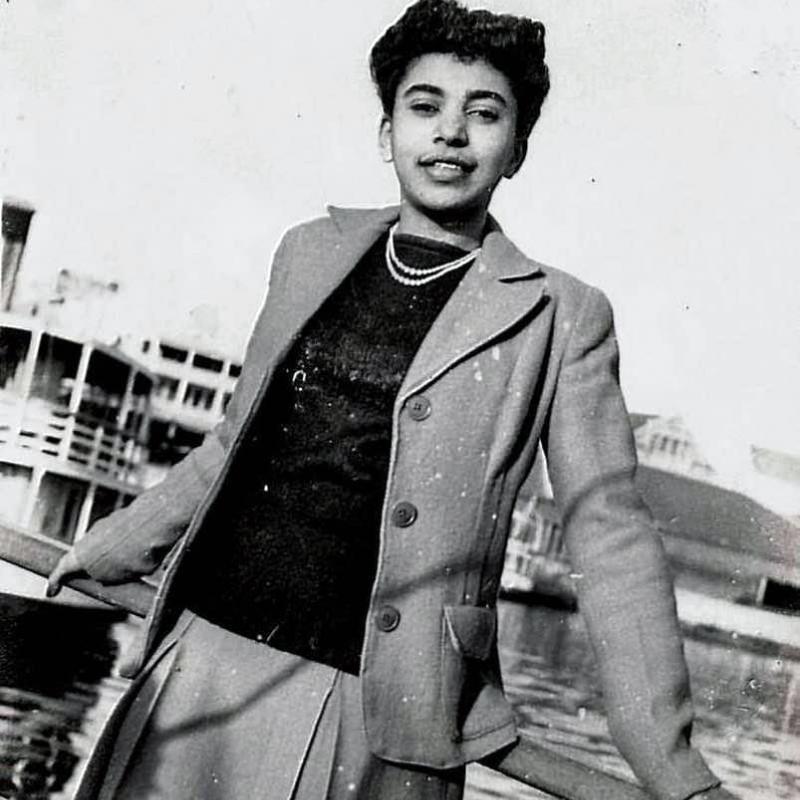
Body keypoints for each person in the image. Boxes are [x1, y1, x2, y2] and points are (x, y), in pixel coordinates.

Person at [48, 1, 738, 798]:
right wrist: (112, 546)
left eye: (484, 114)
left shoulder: (561, 315)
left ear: (516, 150)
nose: (450, 132)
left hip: (382, 718)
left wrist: (673, 767)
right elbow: (233, 446)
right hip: (204, 661)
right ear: (387, 135)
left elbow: (608, 538)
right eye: (424, 107)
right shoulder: (309, 252)